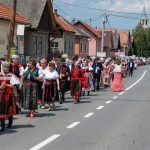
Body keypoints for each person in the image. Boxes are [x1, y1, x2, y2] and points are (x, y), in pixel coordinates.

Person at [0, 61, 20, 132]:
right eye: (4, 67)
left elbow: (14, 86)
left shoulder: (11, 75)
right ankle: (2, 126)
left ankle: (10, 122)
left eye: (7, 67)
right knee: (1, 109)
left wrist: (6, 85)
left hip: (8, 94)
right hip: (1, 94)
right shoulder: (0, 75)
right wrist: (1, 87)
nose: (6, 68)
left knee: (9, 108)